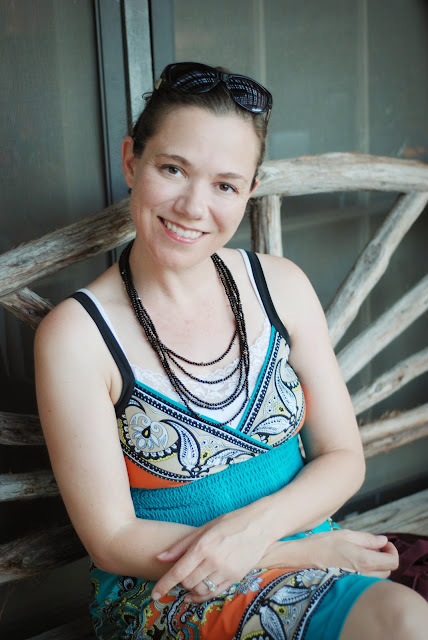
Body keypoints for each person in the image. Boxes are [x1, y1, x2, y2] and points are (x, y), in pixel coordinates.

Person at [34, 62, 428, 639]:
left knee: (407, 621)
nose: (194, 207)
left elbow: (344, 455)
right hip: (167, 591)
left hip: (312, 547)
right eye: (173, 169)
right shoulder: (77, 336)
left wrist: (264, 533)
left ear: (250, 191)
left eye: (225, 185)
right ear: (131, 161)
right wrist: (294, 552)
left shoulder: (281, 287)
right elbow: (113, 540)